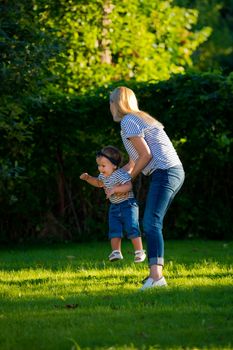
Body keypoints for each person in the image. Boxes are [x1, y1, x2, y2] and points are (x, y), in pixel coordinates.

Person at [109, 87, 185, 290]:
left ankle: (157, 278)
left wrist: (128, 179)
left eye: (111, 103)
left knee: (151, 223)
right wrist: (117, 177)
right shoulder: (139, 118)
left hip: (165, 171)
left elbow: (146, 155)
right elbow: (136, 159)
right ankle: (155, 276)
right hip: (171, 171)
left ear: (115, 104)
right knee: (152, 222)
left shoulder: (128, 121)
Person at [80, 145, 146, 263]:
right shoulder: (103, 176)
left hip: (128, 205)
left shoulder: (119, 174)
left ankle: (139, 252)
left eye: (103, 165)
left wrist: (115, 189)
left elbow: (128, 186)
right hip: (114, 206)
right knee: (114, 229)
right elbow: (99, 183)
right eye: (99, 165)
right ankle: (116, 252)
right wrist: (88, 178)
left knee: (132, 227)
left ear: (114, 165)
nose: (100, 168)